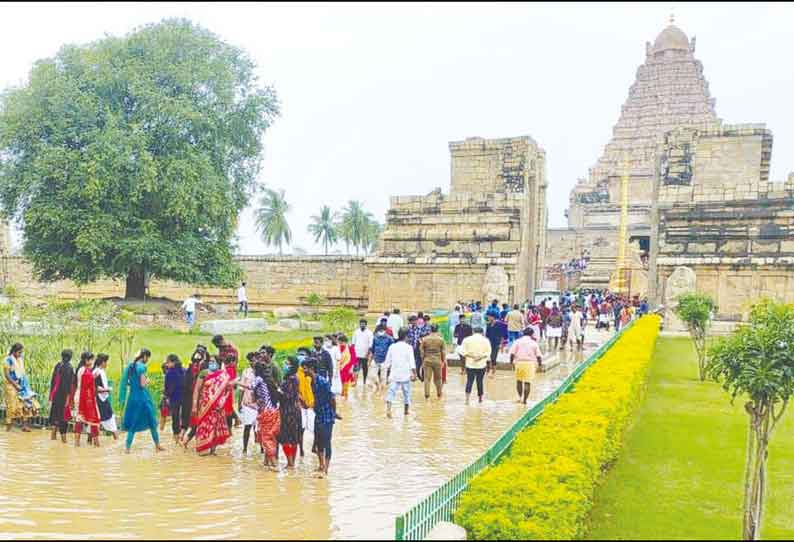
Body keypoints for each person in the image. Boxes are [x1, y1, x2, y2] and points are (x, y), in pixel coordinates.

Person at [119, 349, 164, 453]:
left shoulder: (130, 366)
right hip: (143, 398)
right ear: (144, 357)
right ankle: (157, 445)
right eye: (147, 358)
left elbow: (127, 382)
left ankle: (127, 448)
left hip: (132, 398)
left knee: (132, 425)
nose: (147, 360)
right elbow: (143, 384)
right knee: (152, 422)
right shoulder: (141, 367)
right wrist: (147, 381)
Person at [192, 355, 236, 456]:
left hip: (218, 407)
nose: (211, 363)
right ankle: (202, 449)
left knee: (215, 427)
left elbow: (228, 389)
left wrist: (223, 401)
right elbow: (197, 390)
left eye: (213, 361)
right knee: (203, 426)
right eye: (210, 361)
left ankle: (212, 451)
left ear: (219, 363)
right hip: (205, 406)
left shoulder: (223, 375)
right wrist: (194, 405)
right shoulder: (204, 373)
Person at [251, 362, 281, 470]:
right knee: (269, 436)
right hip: (273, 411)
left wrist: (236, 382)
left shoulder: (259, 379)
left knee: (266, 438)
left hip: (266, 413)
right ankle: (266, 462)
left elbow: (251, 386)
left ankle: (274, 464)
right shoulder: (269, 380)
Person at [383, 327, 417, 418]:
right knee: (407, 393)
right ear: (406, 336)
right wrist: (414, 374)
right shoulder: (409, 347)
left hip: (394, 374)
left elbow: (387, 362)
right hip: (405, 374)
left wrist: (385, 376)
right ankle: (406, 411)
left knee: (391, 392)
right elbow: (412, 362)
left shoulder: (392, 346)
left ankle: (388, 410)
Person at [3, 343, 36, 432]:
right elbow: (7, 375)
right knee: (12, 406)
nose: (20, 354)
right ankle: (8, 428)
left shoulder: (20, 359)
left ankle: (24, 426)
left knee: (25, 403)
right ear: (14, 351)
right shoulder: (7, 360)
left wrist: (23, 385)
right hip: (11, 386)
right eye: (19, 352)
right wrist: (15, 385)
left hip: (21, 385)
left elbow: (22, 373)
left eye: (21, 352)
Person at [179, 345, 207, 447]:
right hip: (197, 397)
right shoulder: (203, 369)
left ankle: (182, 438)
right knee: (197, 420)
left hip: (188, 396)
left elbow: (185, 383)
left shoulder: (190, 367)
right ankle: (188, 441)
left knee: (186, 418)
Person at [279, 356, 302, 469]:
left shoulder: (291, 379)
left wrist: (278, 391)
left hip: (288, 411)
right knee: (294, 437)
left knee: (285, 437)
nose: (285, 365)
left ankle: (290, 462)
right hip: (294, 410)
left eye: (287, 363)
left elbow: (288, 396)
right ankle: (291, 461)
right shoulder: (294, 378)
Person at [509, 327, 543, 405]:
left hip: (519, 363)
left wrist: (511, 363)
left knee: (519, 381)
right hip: (530, 364)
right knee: (527, 383)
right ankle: (525, 400)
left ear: (523, 333)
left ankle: (519, 397)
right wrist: (540, 364)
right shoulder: (534, 343)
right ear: (531, 334)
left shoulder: (517, 341)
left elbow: (512, 353)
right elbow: (538, 356)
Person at [48, 349, 75, 443]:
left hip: (55, 394)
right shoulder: (69, 367)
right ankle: (64, 441)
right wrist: (68, 399)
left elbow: (53, 381)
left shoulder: (58, 365)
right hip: (63, 396)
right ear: (70, 357)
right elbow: (67, 385)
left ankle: (53, 437)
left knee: (55, 416)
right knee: (63, 418)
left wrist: (51, 395)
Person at [75, 351, 101, 447]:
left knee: (79, 418)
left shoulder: (81, 369)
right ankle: (96, 443)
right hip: (85, 397)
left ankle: (77, 443)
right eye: (91, 360)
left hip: (79, 396)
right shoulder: (85, 371)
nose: (93, 362)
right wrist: (93, 377)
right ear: (86, 360)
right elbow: (86, 385)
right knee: (93, 418)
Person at [460, 326, 491, 405]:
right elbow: (488, 353)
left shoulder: (466, 339)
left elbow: (462, 352)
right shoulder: (485, 340)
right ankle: (480, 399)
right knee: (480, 381)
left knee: (469, 381)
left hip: (470, 364)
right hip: (481, 365)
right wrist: (480, 357)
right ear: (482, 332)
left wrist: (472, 356)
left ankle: (467, 400)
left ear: (473, 332)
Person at [93, 354, 118, 440]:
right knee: (110, 418)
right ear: (103, 362)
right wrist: (107, 390)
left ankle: (91, 441)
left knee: (95, 420)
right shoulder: (97, 372)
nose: (107, 364)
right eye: (106, 362)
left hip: (100, 398)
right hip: (100, 399)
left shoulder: (99, 371)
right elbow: (95, 388)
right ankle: (117, 439)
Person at [295, 348, 315, 457]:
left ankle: (314, 447)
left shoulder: (311, 374)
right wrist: (302, 401)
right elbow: (296, 391)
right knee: (301, 429)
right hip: (301, 405)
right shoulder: (297, 374)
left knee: (313, 429)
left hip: (311, 405)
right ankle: (301, 450)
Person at [420, 324, 446, 400]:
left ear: (430, 329)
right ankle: (439, 395)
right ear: (437, 329)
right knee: (438, 379)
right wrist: (443, 361)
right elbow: (443, 352)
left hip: (427, 360)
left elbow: (421, 351)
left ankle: (427, 397)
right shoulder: (441, 340)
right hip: (437, 360)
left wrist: (423, 360)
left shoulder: (425, 339)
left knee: (427, 379)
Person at [239, 352, 258, 455]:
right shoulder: (246, 372)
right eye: (250, 360)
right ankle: (245, 448)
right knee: (247, 426)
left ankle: (261, 448)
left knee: (258, 427)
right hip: (247, 403)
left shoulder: (261, 372)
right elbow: (241, 389)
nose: (252, 362)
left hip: (258, 404)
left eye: (254, 360)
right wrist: (239, 403)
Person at [164, 354, 185, 441]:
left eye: (168, 362)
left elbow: (168, 386)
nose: (166, 364)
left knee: (175, 417)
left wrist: (167, 397)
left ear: (172, 362)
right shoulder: (184, 370)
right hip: (184, 396)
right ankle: (183, 434)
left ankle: (176, 435)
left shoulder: (169, 373)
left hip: (174, 397)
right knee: (183, 416)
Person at [371, 324, 394, 390]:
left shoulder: (389, 339)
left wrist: (391, 361)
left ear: (385, 331)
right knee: (373, 376)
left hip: (385, 360)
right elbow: (372, 349)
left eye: (382, 330)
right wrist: (370, 359)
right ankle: (378, 386)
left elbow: (392, 350)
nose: (380, 332)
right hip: (376, 359)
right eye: (379, 330)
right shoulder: (375, 338)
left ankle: (382, 392)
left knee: (383, 377)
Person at [352, 319, 374, 386]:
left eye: (363, 324)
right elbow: (353, 343)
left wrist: (368, 353)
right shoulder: (356, 332)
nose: (362, 325)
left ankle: (364, 381)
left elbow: (370, 345)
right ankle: (355, 382)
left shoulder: (369, 333)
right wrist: (352, 353)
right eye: (361, 324)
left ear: (366, 325)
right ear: (359, 324)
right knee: (356, 368)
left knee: (365, 368)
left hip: (365, 354)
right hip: (357, 353)